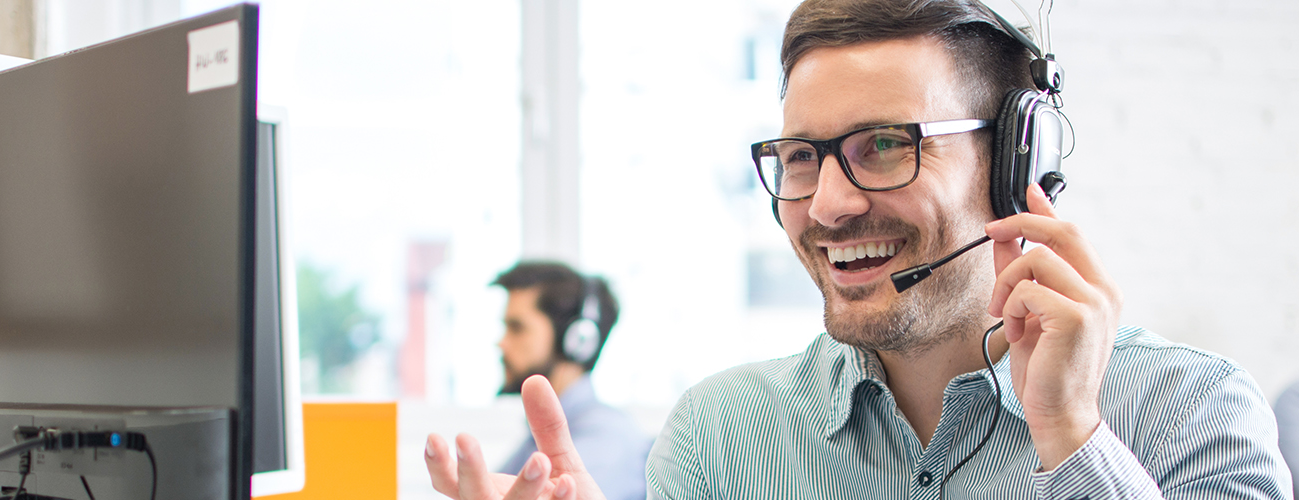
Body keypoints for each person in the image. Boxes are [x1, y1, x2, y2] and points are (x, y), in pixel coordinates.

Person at [422, 0, 1292, 498]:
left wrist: (1071, 436)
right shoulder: (720, 438)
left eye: (884, 145)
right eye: (801, 157)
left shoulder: (1194, 415)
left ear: (1015, 161)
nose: (828, 206)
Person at [490, 262, 652, 500]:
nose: (501, 343)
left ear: (575, 341)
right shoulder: (532, 444)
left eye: (517, 328)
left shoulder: (607, 440)